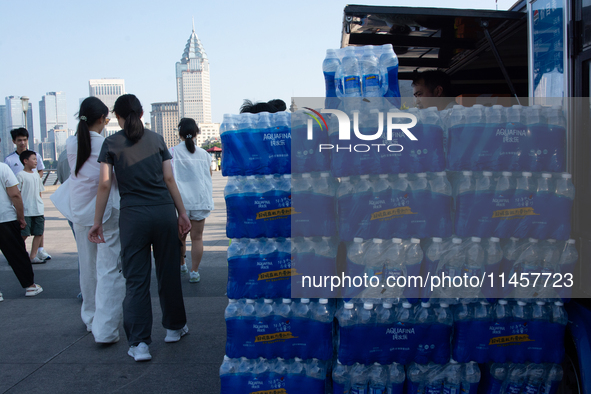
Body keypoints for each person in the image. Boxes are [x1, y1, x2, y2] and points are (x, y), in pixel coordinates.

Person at [88, 94, 191, 362]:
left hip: (133, 218)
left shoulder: (111, 143)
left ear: (118, 117)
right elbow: (169, 178)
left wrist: (97, 221)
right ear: (142, 114)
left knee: (136, 281)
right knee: (168, 273)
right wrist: (182, 213)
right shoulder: (157, 139)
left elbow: (104, 184)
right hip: (163, 212)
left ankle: (140, 344)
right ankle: (174, 328)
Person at [53, 97, 125, 343]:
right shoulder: (107, 143)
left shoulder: (71, 142)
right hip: (104, 212)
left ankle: (90, 318)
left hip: (79, 212)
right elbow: (108, 181)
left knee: (87, 267)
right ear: (102, 119)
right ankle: (105, 325)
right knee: (108, 268)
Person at [170, 118, 214, 283]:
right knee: (197, 237)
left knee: (179, 237)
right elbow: (208, 176)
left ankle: (182, 264)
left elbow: (168, 177)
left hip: (179, 202)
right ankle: (194, 271)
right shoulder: (204, 154)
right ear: (196, 133)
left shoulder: (172, 152)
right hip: (199, 201)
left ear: (179, 133)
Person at [0, 138, 43, 299]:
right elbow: (15, 195)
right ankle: (30, 286)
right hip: (5, 218)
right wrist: (21, 217)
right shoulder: (3, 168)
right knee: (17, 254)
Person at [4, 128, 51, 261]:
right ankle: (16, 253)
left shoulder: (35, 155)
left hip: (35, 197)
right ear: (14, 141)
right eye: (19, 140)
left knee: (38, 228)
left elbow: (40, 171)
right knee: (22, 229)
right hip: (19, 199)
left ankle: (38, 252)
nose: (22, 143)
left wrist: (33, 179)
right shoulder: (9, 160)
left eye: (24, 140)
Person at [17, 150, 46, 263]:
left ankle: (33, 256)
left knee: (39, 233)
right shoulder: (20, 175)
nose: (36, 161)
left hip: (37, 209)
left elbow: (39, 192)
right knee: (24, 234)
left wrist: (41, 205)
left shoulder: (36, 175)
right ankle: (17, 254)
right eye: (33, 159)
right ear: (25, 161)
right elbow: (17, 193)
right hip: (26, 210)